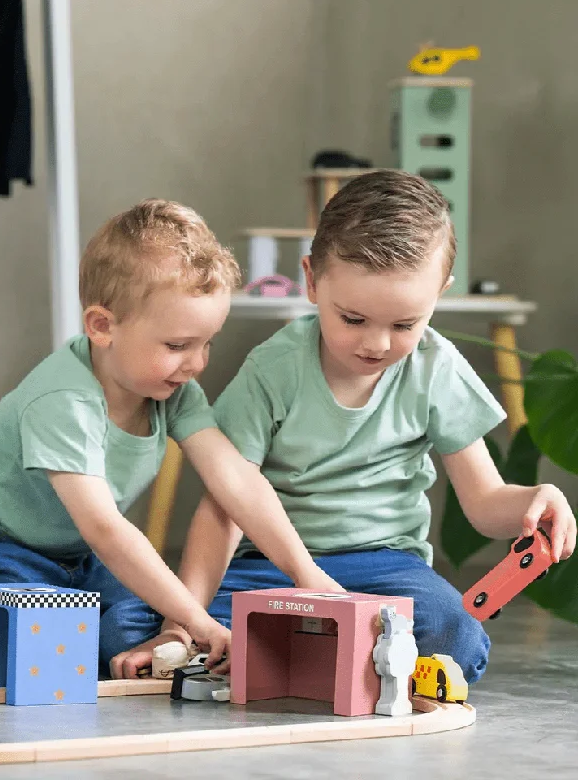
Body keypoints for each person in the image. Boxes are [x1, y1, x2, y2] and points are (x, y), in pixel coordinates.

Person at [0, 198, 341, 677]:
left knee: (130, 632)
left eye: (206, 343)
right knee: (32, 641)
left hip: (70, 557)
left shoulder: (174, 391)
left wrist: (308, 575)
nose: (196, 364)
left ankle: (75, 629)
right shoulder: (65, 401)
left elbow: (235, 480)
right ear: (102, 326)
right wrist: (195, 620)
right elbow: (105, 528)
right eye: (177, 345)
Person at [108, 171, 576, 682]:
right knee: (128, 626)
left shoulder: (437, 368)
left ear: (438, 293)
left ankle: (293, 659)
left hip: (386, 571)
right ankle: (336, 663)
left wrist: (534, 500)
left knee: (452, 630)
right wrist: (181, 624)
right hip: (269, 568)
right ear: (311, 280)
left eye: (403, 324)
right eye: (352, 318)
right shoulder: (274, 367)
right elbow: (226, 504)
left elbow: (485, 502)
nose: (375, 344)